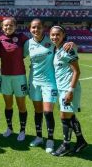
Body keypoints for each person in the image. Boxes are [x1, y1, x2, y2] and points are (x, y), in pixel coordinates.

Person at [24, 19, 77, 153]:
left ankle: (50, 140)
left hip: (49, 83)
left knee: (47, 112)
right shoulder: (28, 44)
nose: (36, 30)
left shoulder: (51, 41)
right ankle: (38, 137)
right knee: (37, 112)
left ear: (43, 28)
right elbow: (19, 56)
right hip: (34, 82)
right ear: (30, 29)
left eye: (39, 27)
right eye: (33, 28)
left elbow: (66, 45)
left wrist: (71, 43)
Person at [50, 25, 88, 156]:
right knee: (70, 116)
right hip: (62, 89)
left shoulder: (67, 49)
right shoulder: (56, 49)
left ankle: (66, 144)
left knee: (64, 116)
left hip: (69, 89)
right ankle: (81, 141)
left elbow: (77, 71)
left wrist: (70, 91)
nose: (55, 37)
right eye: (53, 35)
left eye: (57, 34)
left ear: (63, 35)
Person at [0, 17, 28, 141]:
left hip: (19, 76)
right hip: (5, 76)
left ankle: (22, 130)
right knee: (8, 104)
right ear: (2, 27)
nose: (8, 27)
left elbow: (28, 51)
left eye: (10, 25)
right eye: (5, 25)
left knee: (21, 105)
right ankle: (9, 128)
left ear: (15, 26)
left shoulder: (22, 38)